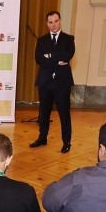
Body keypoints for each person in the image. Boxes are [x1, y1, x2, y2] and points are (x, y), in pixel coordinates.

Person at [29, 11, 75, 154]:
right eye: (50, 22)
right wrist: (57, 60)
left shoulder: (68, 39)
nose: (53, 24)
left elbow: (68, 55)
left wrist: (49, 56)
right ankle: (42, 137)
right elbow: (38, 59)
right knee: (44, 112)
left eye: (56, 21)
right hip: (45, 81)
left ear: (60, 21)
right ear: (47, 23)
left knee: (64, 113)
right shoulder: (42, 40)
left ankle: (66, 142)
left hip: (62, 82)